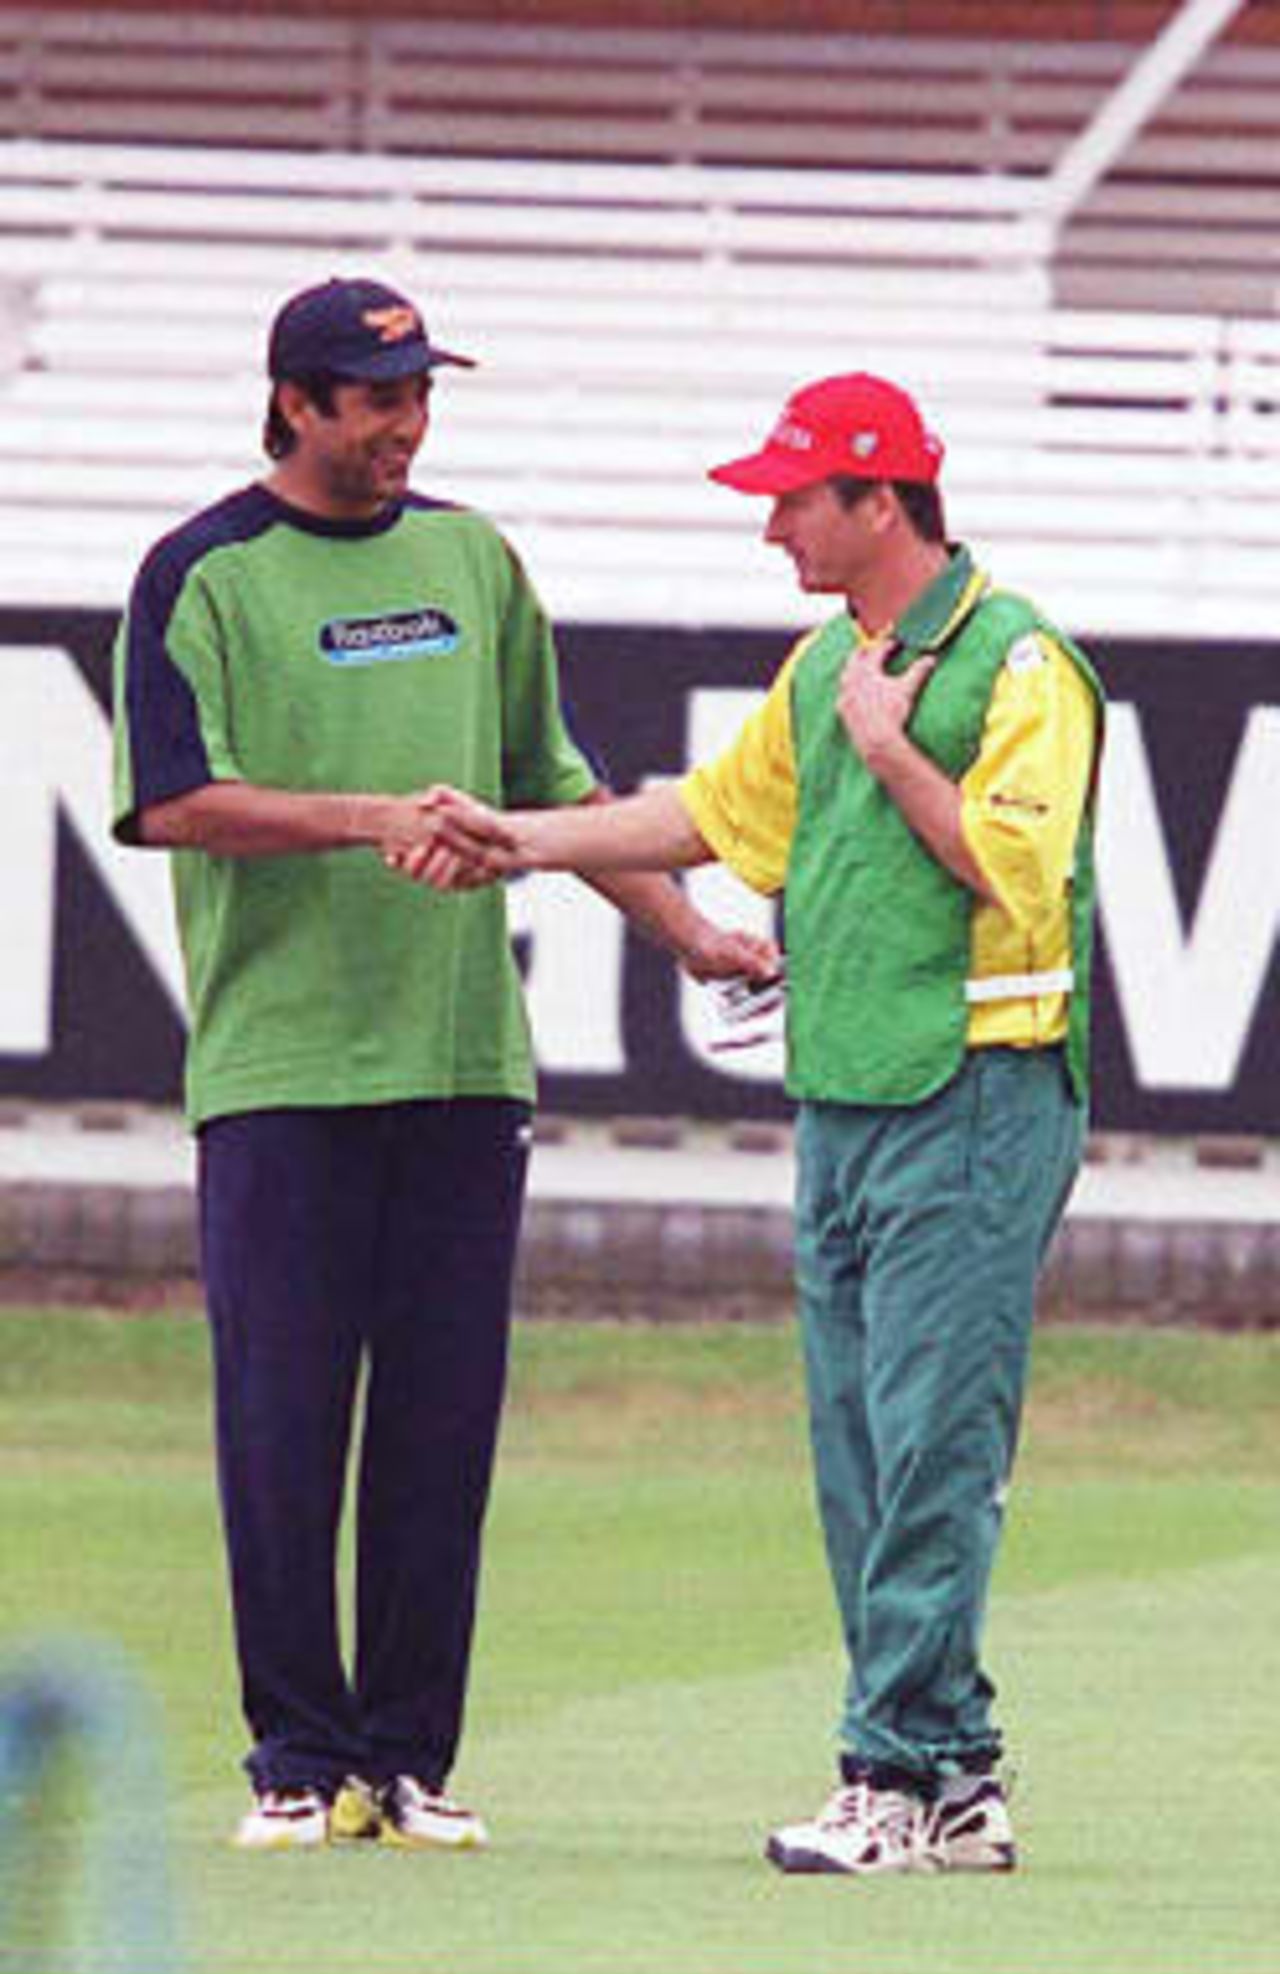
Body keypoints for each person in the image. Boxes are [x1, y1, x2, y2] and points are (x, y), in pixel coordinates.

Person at [406, 372, 1105, 1878]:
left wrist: (896, 742)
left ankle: (898, 1773)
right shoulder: (824, 668)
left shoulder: (1019, 660)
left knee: (926, 1447)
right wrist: (522, 839)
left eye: (796, 497)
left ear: (881, 501)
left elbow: (1016, 875)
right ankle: (956, 1774)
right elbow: (709, 821)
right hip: (851, 1094)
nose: (773, 523)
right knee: (865, 1450)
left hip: (975, 1092)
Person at [110, 275, 776, 1853]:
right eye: (372, 397)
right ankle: (293, 1753)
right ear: (294, 402)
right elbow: (171, 800)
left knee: (438, 1427)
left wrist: (686, 930)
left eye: (419, 396)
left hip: (466, 1066)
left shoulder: (475, 560)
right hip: (280, 1070)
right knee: (281, 1426)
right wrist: (370, 813)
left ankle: (406, 1757)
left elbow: (546, 783)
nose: (404, 424)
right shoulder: (199, 574)